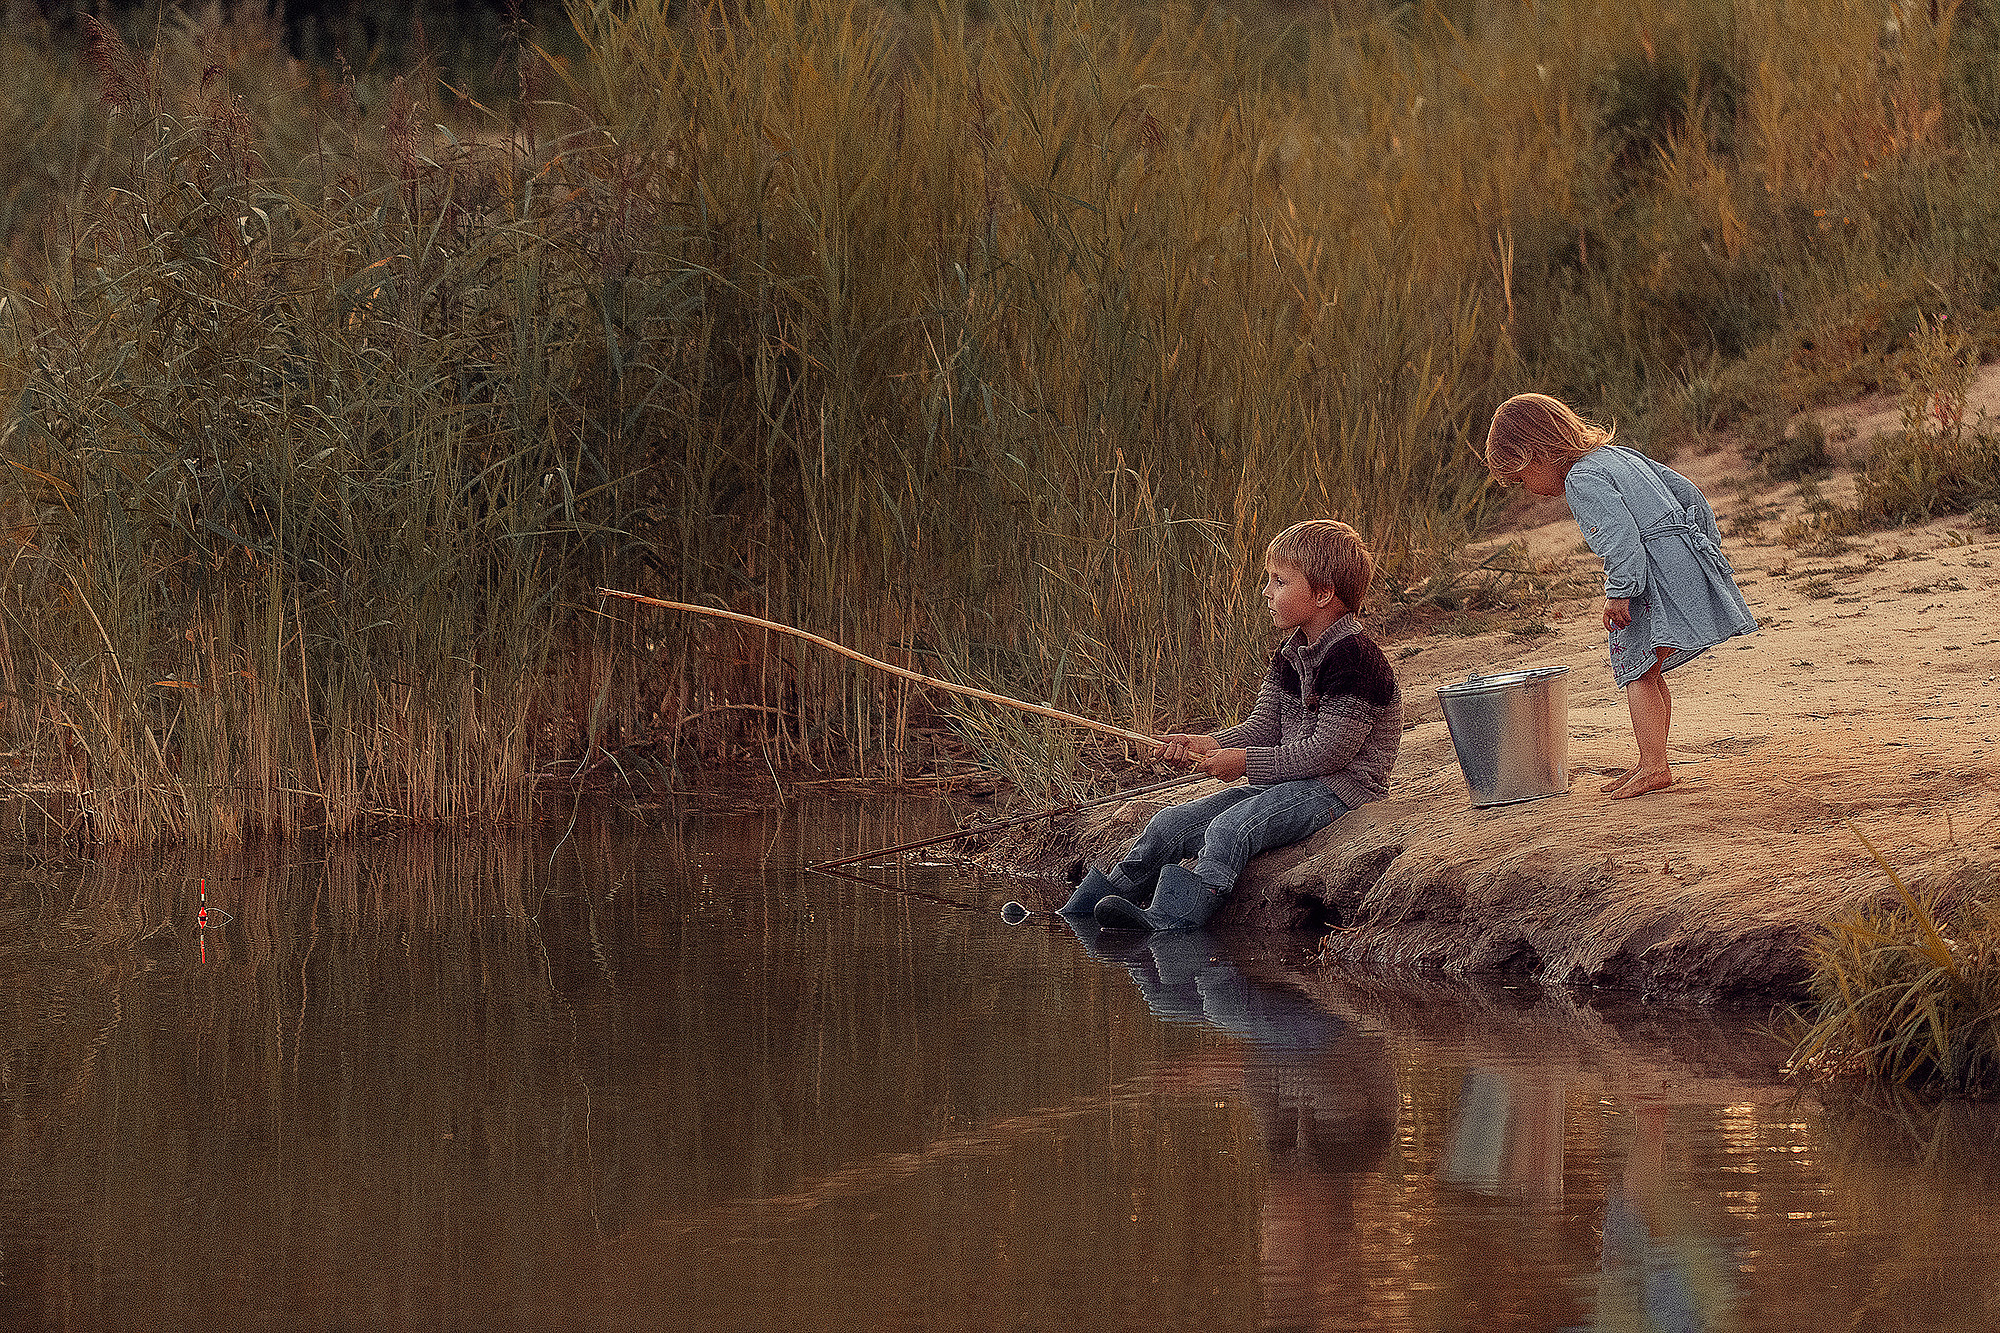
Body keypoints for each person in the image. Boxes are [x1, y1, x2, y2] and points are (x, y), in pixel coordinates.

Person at [1060, 519, 1402, 932]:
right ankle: (1085, 909)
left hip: (1339, 789)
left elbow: (1328, 754)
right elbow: (1262, 728)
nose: (1266, 592)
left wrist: (1243, 763)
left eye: (1279, 582)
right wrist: (1208, 744)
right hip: (1291, 779)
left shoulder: (1355, 661)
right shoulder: (1291, 652)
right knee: (1167, 825)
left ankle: (1171, 918)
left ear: (1323, 594)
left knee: (1230, 829)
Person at [1483, 392, 1757, 799]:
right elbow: (1689, 494)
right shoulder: (1617, 455)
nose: (1528, 489)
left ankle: (1653, 766)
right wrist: (1704, 548)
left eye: (1522, 477)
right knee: (1650, 669)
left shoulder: (1581, 479)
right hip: (1680, 555)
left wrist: (1621, 592)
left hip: (1648, 574)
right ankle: (1653, 758)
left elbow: (1620, 537)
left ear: (1536, 453)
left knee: (1635, 668)